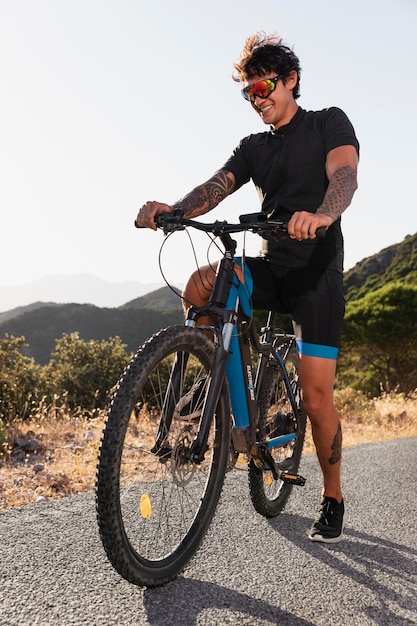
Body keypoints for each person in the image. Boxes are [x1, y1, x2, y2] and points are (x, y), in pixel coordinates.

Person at [136, 31, 359, 543]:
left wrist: (322, 215)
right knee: (199, 285)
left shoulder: (328, 122)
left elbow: (344, 175)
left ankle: (332, 495)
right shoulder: (254, 147)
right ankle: (217, 375)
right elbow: (217, 185)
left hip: (316, 275)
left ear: (291, 80)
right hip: (270, 266)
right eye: (250, 94)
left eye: (265, 88)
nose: (258, 100)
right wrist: (173, 210)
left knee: (318, 397)